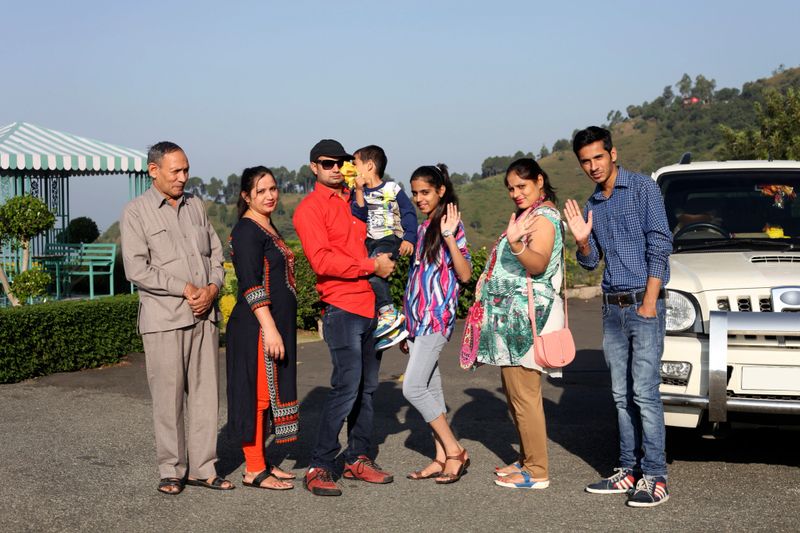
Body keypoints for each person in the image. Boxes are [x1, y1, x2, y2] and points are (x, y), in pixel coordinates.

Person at [564, 126, 672, 507]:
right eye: (585, 161)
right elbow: (592, 262)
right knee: (620, 394)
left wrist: (649, 303)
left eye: (598, 157)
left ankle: (655, 476)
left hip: (645, 302)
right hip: (611, 306)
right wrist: (581, 240)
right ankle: (628, 470)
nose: (593, 166)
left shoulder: (643, 189)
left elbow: (661, 244)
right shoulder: (592, 203)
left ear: (613, 153)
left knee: (645, 393)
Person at [120, 141, 233, 495]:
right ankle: (171, 469)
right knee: (168, 399)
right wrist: (185, 289)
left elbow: (216, 254)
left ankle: (203, 468)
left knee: (205, 396)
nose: (184, 177)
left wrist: (212, 288)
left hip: (204, 317)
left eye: (186, 170)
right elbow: (136, 269)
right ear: (154, 171)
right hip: (164, 319)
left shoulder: (196, 205)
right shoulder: (136, 212)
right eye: (176, 171)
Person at [293, 139, 396, 496]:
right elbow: (322, 261)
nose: (336, 168)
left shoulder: (353, 202)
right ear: (313, 167)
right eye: (327, 163)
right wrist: (372, 266)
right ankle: (319, 464)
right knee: (346, 386)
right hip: (341, 308)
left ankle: (357, 458)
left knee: (367, 390)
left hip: (369, 306)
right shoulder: (309, 209)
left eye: (341, 162)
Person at [471, 158, 563, 490]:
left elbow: (537, 263)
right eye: (510, 188)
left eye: (522, 186)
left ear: (539, 181)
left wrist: (515, 245)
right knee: (515, 395)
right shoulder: (531, 216)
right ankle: (527, 460)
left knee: (524, 395)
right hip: (513, 322)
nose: (515, 193)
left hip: (527, 323)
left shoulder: (545, 218)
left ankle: (537, 471)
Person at [226, 166, 299, 491]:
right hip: (255, 327)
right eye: (261, 191)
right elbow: (250, 283)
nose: (270, 195)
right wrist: (269, 327)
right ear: (246, 196)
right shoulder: (246, 230)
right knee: (257, 396)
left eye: (273, 188)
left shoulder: (266, 226)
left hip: (270, 324)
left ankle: (263, 462)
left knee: (268, 397)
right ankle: (254, 469)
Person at [400, 164, 472, 484]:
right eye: (415, 193)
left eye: (425, 192)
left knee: (412, 387)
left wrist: (448, 236)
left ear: (441, 191)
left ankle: (455, 451)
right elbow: (418, 279)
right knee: (430, 388)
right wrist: (407, 323)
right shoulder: (422, 227)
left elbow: (465, 274)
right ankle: (442, 457)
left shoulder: (449, 225)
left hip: (437, 319)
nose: (419, 198)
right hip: (417, 321)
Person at [351, 145, 417, 350]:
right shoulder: (358, 191)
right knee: (368, 275)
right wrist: (359, 191)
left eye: (355, 164)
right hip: (370, 240)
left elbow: (408, 213)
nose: (352, 169)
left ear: (369, 165)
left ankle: (389, 312)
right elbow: (359, 216)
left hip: (390, 238)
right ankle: (390, 326)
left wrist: (409, 238)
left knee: (372, 270)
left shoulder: (392, 189)